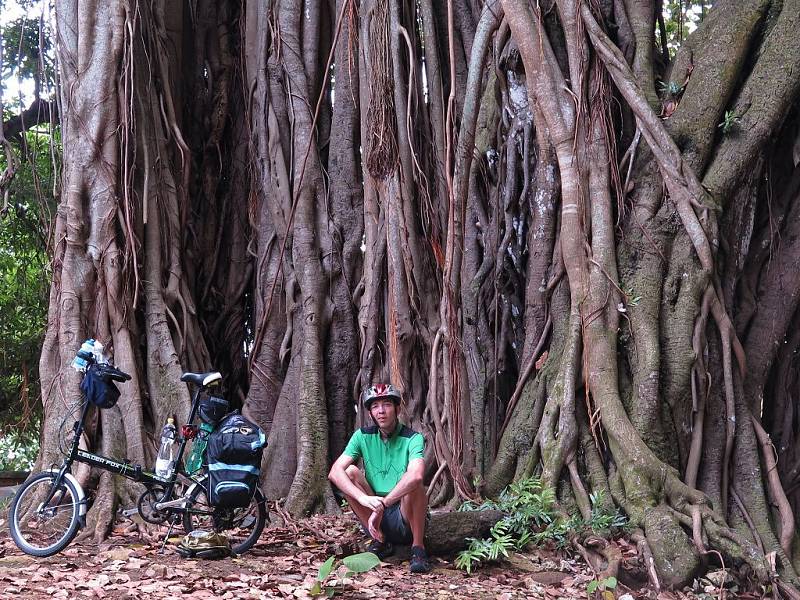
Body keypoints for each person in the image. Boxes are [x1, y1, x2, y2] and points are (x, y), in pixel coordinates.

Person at [328, 383, 432, 574]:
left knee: (414, 483)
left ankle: (418, 548)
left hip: (403, 512)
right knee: (350, 472)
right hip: (374, 515)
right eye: (375, 406)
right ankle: (381, 541)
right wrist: (364, 499)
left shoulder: (413, 438)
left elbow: (416, 474)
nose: (381, 411)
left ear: (397, 408)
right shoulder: (362, 436)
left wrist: (384, 504)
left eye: (387, 404)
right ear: (370, 413)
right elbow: (335, 472)